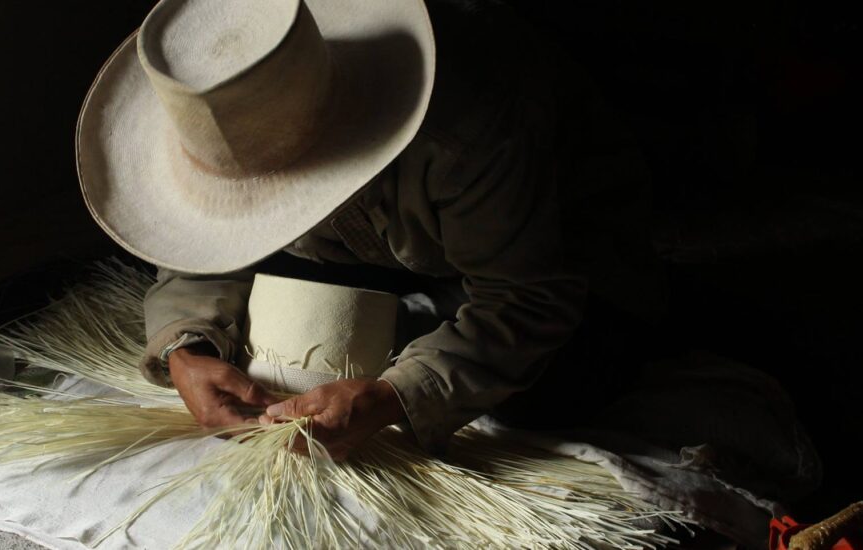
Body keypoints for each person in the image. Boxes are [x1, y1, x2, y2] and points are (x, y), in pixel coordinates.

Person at [76, 0, 662, 460]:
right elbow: (202, 240)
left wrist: (393, 395)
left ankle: (427, 321)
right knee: (273, 344)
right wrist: (188, 346)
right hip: (374, 247)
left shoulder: (469, 120)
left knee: (559, 390)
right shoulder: (229, 110)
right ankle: (416, 316)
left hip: (546, 239)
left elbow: (528, 294)